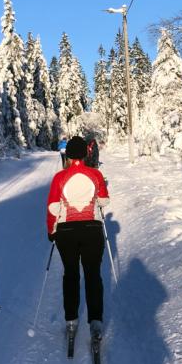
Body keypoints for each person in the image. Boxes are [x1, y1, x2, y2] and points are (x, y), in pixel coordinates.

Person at [46, 135, 109, 341]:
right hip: (92, 229)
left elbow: (53, 208)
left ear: (68, 155)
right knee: (93, 275)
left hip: (66, 232)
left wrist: (51, 231)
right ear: (86, 153)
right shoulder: (95, 174)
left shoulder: (59, 177)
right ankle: (96, 321)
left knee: (70, 275)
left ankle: (71, 320)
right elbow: (104, 201)